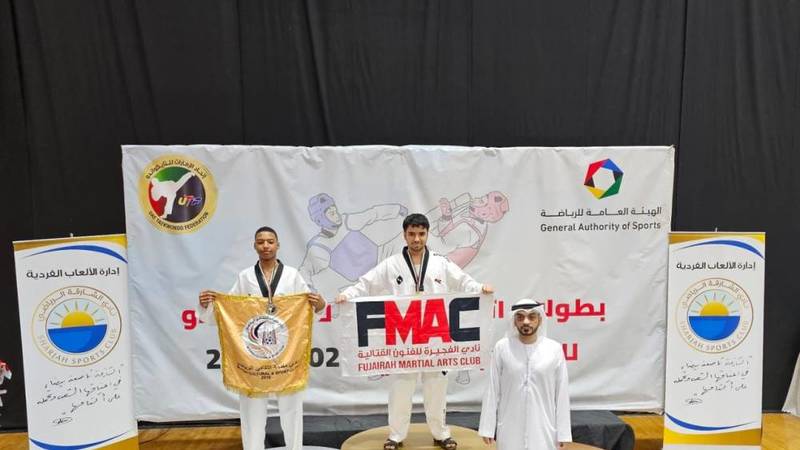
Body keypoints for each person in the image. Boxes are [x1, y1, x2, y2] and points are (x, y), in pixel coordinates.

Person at [335, 213, 494, 450]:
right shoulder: (391, 264)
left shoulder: (440, 262)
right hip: (404, 339)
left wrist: (480, 288)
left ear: (427, 234)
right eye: (412, 234)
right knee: (400, 390)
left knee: (436, 388)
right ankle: (396, 435)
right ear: (404, 234)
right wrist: (348, 294)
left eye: (421, 234)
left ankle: (441, 433)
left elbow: (463, 281)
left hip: (435, 337)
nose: (417, 239)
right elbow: (366, 283)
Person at [198, 226, 326, 450]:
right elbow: (230, 311)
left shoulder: (292, 275)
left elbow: (309, 309)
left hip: (287, 353)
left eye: (270, 241)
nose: (266, 246)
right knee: (252, 412)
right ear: (254, 246)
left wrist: (320, 305)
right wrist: (208, 305)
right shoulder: (245, 277)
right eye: (261, 242)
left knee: (292, 409)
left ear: (277, 245)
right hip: (253, 355)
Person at [479, 298, 572, 450]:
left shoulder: (554, 349)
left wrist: (563, 433)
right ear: (514, 321)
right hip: (510, 426)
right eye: (520, 317)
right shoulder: (502, 348)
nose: (526, 322)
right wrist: (487, 427)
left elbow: (562, 394)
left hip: (544, 428)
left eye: (532, 317)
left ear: (540, 320)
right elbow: (492, 389)